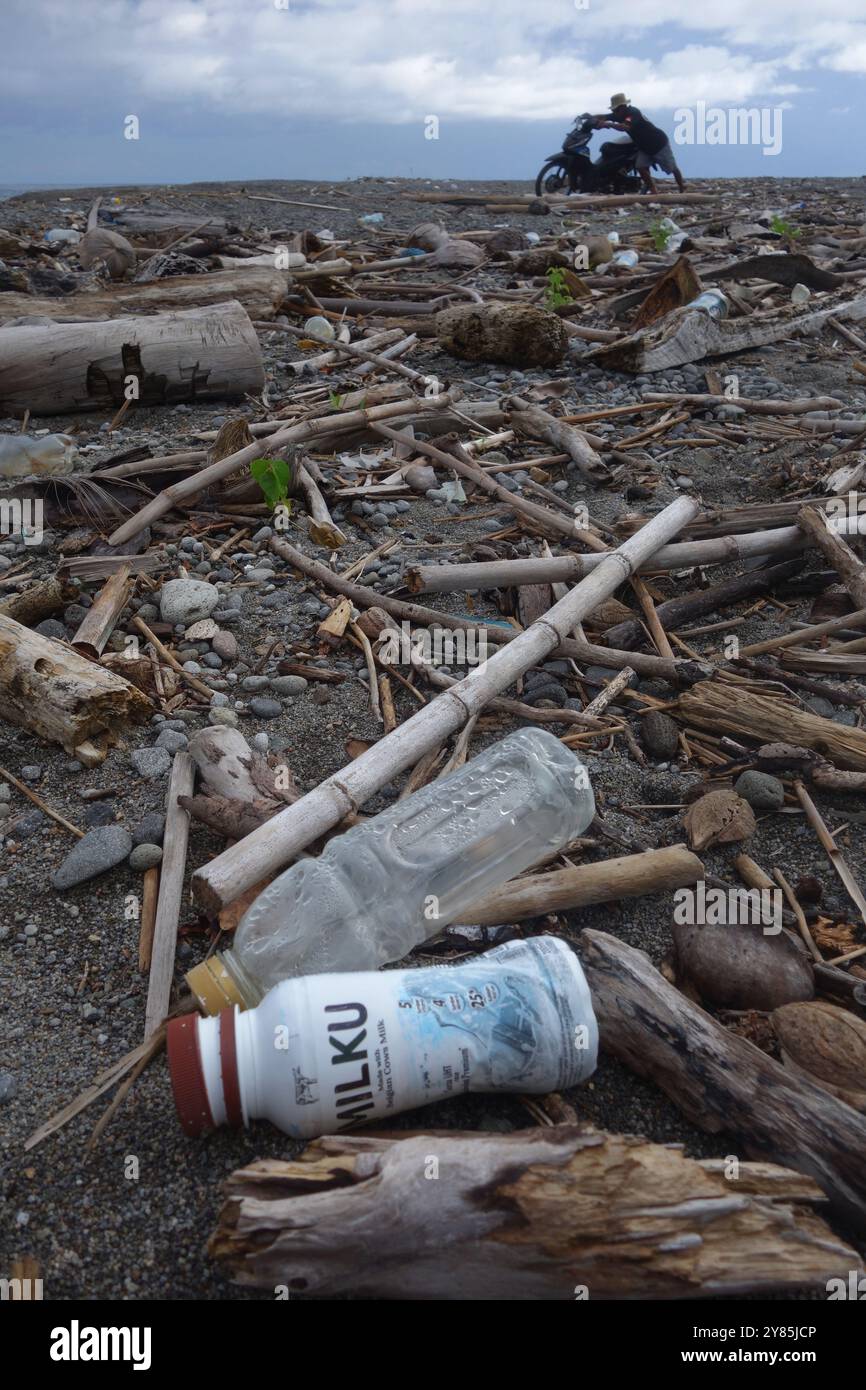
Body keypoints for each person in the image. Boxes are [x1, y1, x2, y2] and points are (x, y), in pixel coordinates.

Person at [593, 94, 686, 194]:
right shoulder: (619, 115)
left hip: (658, 144)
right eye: (613, 110)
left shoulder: (633, 113)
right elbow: (604, 117)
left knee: (672, 168)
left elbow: (625, 127)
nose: (614, 112)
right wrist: (589, 118)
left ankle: (681, 188)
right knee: (640, 167)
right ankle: (653, 190)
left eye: (616, 110)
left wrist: (608, 124)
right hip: (644, 147)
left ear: (623, 107)